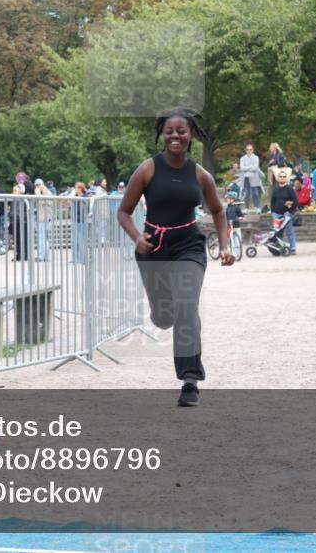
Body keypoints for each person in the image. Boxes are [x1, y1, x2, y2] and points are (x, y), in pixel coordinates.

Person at [117, 108, 234, 408]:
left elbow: (218, 211)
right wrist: (136, 237)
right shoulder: (148, 169)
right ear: (162, 134)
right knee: (165, 316)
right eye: (170, 131)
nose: (175, 136)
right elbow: (124, 211)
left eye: (181, 131)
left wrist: (224, 245)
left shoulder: (200, 174)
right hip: (153, 249)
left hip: (188, 246)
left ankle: (190, 380)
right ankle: (160, 311)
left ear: (191, 134)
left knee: (185, 308)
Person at [269, 170, 299, 255]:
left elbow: (296, 201)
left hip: (287, 214)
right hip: (277, 214)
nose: (282, 178)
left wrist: (291, 211)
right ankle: (279, 248)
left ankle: (293, 248)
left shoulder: (290, 189)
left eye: (283, 176)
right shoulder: (275, 190)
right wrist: (273, 212)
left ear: (286, 178)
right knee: (277, 232)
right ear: (278, 178)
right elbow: (272, 202)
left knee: (290, 231)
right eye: (280, 176)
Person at [238, 143, 263, 211]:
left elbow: (255, 168)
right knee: (246, 193)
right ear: (246, 150)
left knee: (255, 193)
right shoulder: (242, 158)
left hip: (254, 177)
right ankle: (246, 208)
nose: (249, 150)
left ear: (253, 150)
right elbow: (242, 168)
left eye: (250, 149)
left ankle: (257, 207)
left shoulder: (256, 157)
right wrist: (250, 167)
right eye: (248, 149)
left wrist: (247, 168)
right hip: (246, 177)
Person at [34, 178, 53, 261]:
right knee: (42, 238)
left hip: (46, 218)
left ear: (43, 184)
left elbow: (46, 202)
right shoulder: (40, 193)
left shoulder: (48, 192)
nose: (38, 187)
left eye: (39, 185)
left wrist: (38, 194)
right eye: (36, 185)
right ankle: (43, 255)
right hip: (40, 218)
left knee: (44, 238)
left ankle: (44, 256)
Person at [71, 182, 89, 264]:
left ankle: (82, 258)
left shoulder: (85, 197)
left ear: (80, 188)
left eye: (76, 188)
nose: (75, 189)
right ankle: (75, 258)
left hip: (82, 221)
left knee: (81, 240)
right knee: (75, 240)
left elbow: (84, 209)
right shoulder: (75, 197)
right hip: (75, 220)